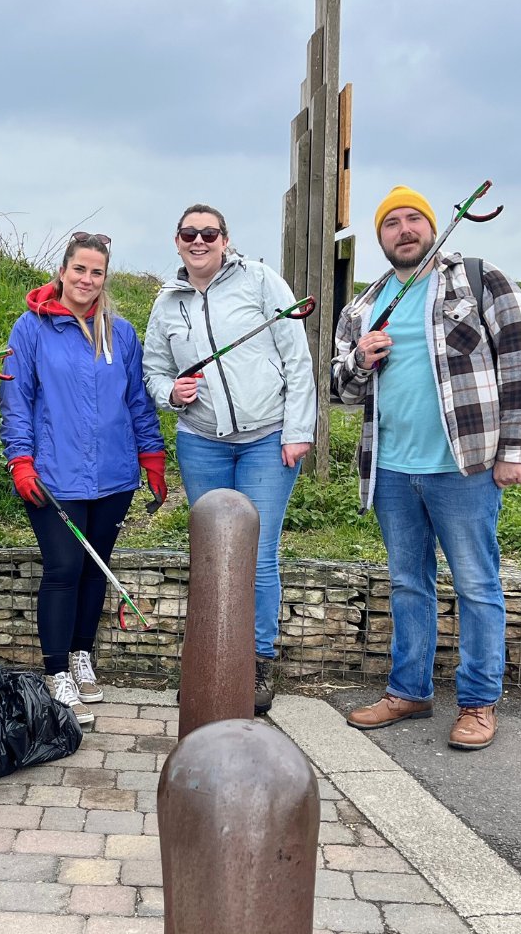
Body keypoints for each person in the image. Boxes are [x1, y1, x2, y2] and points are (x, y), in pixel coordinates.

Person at [331, 185, 521, 750]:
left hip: (464, 466)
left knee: (477, 584)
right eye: (391, 224)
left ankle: (478, 702)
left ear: (431, 227)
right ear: (380, 238)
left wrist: (513, 452)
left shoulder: (478, 280)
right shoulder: (365, 305)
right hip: (393, 471)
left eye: (413, 220)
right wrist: (360, 359)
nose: (404, 230)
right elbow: (342, 390)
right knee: (408, 584)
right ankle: (410, 691)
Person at [142, 204, 316, 715]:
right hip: (202, 440)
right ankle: (210, 660)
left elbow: (297, 357)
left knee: (256, 553)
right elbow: (153, 371)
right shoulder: (167, 304)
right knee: (212, 553)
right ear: (177, 241)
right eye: (189, 234)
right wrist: (171, 392)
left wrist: (298, 430)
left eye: (209, 233)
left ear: (225, 239)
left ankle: (254, 663)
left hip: (267, 437)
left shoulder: (261, 282)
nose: (199, 241)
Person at [0, 232, 167, 726]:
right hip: (54, 475)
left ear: (105, 277)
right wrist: (20, 460)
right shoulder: (30, 329)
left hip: (114, 474)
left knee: (96, 569)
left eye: (96, 272)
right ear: (63, 270)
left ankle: (81, 655)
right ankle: (56, 673)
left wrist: (152, 455)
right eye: (79, 270)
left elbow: (136, 399)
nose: (86, 280)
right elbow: (16, 400)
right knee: (64, 569)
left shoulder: (122, 333)